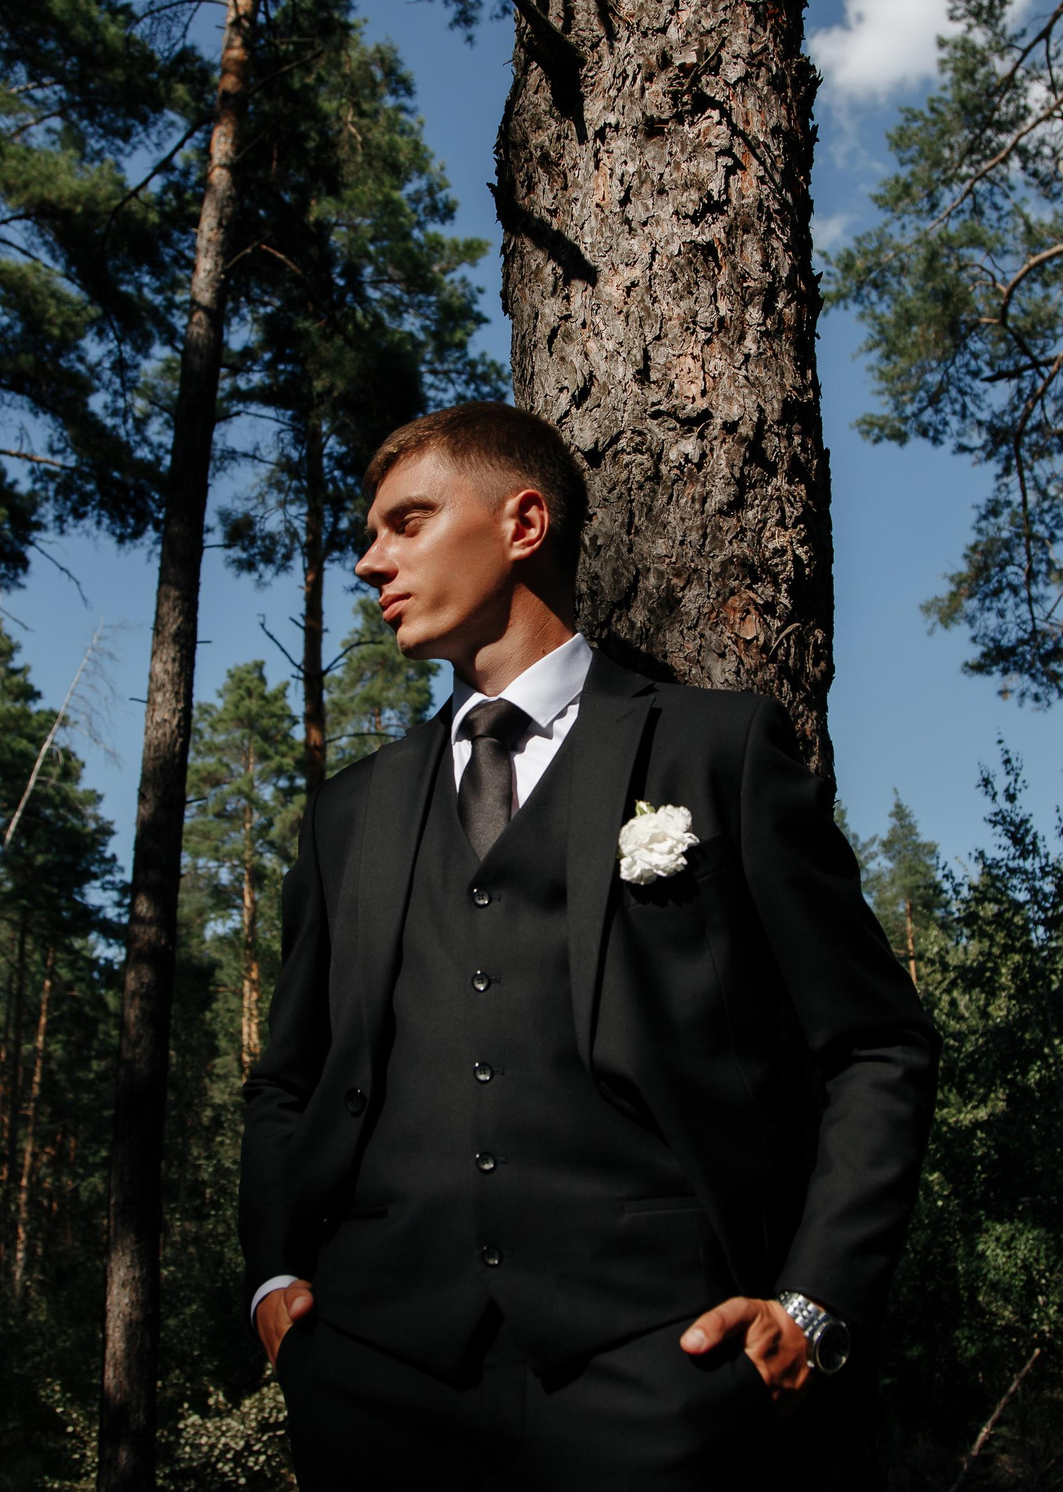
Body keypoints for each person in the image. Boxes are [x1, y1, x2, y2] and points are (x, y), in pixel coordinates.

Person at [240, 402, 936, 1491]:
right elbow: (288, 1079)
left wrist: (816, 1301)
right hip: (375, 1377)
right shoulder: (348, 814)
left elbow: (875, 1046)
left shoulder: (717, 749)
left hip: (666, 1369)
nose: (370, 560)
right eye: (373, 534)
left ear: (523, 523)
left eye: (406, 523)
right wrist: (273, 1276)